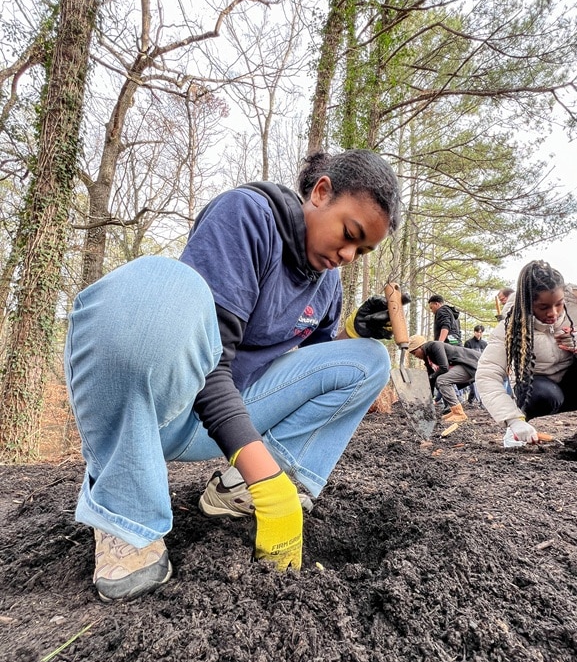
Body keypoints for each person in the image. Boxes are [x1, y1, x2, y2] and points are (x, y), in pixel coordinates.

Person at [64, 149, 401, 602]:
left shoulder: (328, 284)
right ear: (321, 192)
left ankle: (235, 489)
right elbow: (210, 363)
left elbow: (316, 370)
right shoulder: (248, 216)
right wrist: (263, 471)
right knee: (160, 282)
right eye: (349, 235)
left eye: (361, 251)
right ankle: (123, 512)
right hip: (164, 405)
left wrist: (356, 330)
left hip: (221, 427)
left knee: (369, 362)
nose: (346, 255)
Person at [476, 260, 577, 446]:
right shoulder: (510, 326)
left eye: (559, 304)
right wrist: (513, 419)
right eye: (543, 307)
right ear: (527, 303)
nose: (553, 313)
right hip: (539, 394)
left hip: (576, 388)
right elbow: (487, 375)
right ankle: (518, 429)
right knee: (544, 395)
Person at [407, 335, 481, 424]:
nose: (415, 356)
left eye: (414, 352)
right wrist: (428, 399)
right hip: (463, 367)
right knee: (439, 381)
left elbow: (444, 367)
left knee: (442, 380)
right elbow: (431, 379)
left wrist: (432, 377)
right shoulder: (428, 358)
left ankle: (459, 413)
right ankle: (454, 411)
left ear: (420, 347)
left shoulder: (435, 346)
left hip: (470, 365)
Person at [464, 324, 487, 404]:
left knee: (481, 386)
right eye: (477, 332)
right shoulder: (468, 343)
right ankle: (472, 400)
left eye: (480, 332)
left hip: (481, 367)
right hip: (471, 367)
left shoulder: (484, 344)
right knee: (473, 386)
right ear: (474, 332)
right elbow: (466, 355)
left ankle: (480, 402)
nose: (478, 334)